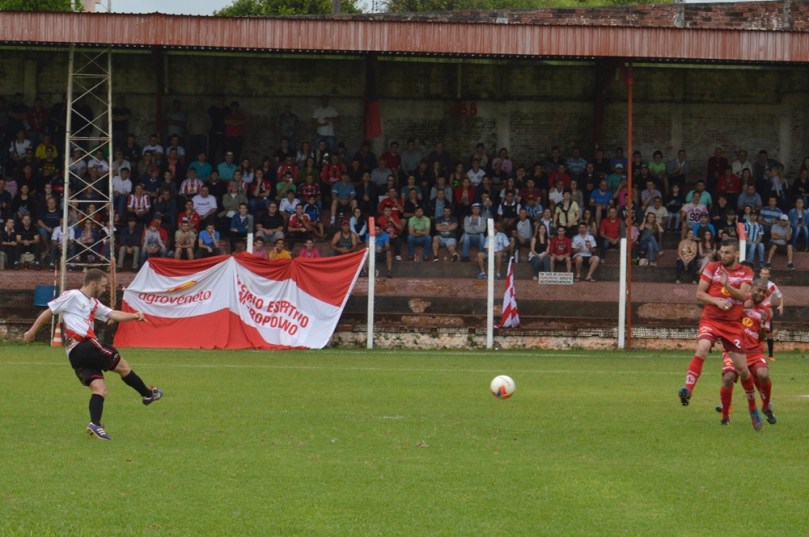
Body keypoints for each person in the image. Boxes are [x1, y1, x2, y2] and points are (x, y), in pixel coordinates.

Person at [23, 269, 164, 440]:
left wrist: (134, 316)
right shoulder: (73, 295)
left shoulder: (93, 303)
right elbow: (49, 311)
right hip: (84, 345)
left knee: (99, 389)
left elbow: (112, 314)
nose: (105, 289)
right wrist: (32, 332)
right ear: (93, 284)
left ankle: (95, 424)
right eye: (103, 286)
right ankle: (147, 394)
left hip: (76, 355)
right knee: (122, 366)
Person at [678, 239, 763, 431]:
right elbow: (700, 294)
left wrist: (727, 286)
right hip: (711, 320)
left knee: (742, 370)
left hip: (733, 325)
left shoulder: (746, 272)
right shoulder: (712, 267)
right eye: (721, 252)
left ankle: (753, 409)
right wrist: (716, 301)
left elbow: (743, 296)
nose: (722, 256)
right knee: (702, 348)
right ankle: (687, 390)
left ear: (736, 255)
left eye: (727, 253)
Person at [716, 279, 775, 426]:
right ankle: (725, 417)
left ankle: (766, 405)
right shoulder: (738, 301)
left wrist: (761, 325)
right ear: (751, 288)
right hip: (734, 349)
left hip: (754, 351)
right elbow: (722, 317)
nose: (760, 294)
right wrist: (741, 308)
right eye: (758, 290)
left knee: (763, 374)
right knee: (728, 378)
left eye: (763, 292)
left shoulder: (765, 311)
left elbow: (761, 337)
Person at [759, 267, 783, 361]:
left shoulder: (772, 285)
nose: (764, 275)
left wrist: (781, 305)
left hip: (767, 311)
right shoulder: (755, 284)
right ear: (760, 274)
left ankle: (771, 355)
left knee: (769, 333)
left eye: (766, 274)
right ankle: (755, 353)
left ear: (769, 275)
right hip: (756, 310)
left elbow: (780, 296)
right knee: (753, 332)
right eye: (763, 273)